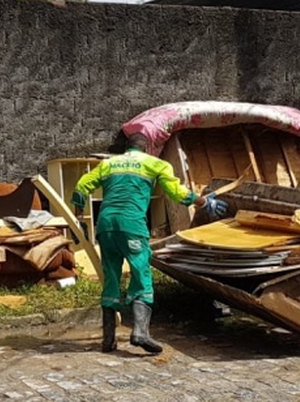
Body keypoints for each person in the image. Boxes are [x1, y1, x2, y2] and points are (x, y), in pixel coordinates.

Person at [73, 132, 227, 354]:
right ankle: (140, 333)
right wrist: (203, 202)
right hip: (132, 226)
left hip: (106, 227)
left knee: (111, 277)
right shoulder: (156, 164)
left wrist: (78, 213)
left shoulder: (109, 163)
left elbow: (81, 185)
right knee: (141, 275)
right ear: (147, 149)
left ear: (127, 148)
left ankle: (108, 340)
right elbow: (177, 193)